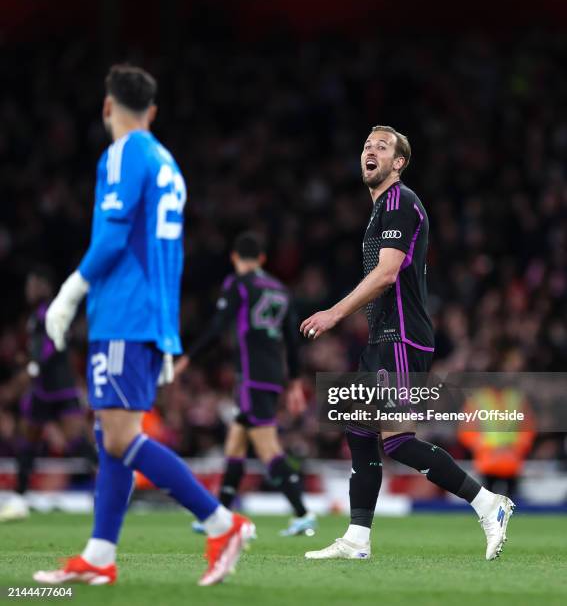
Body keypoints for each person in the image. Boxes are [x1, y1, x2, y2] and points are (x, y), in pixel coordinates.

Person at [33, 64, 255, 587]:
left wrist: (69, 292)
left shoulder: (122, 155)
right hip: (153, 312)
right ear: (151, 111)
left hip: (122, 312)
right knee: (110, 433)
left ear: (108, 106)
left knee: (118, 436)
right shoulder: (166, 162)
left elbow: (111, 241)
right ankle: (100, 554)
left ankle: (221, 523)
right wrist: (167, 331)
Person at [300, 125, 514, 561]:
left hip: (401, 337)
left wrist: (334, 314)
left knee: (396, 440)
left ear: (398, 163)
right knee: (359, 430)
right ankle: (358, 539)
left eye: (382, 147)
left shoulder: (400, 201)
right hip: (383, 337)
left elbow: (386, 274)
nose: (370, 151)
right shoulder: (381, 209)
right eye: (366, 145)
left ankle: (489, 503)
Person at [176, 232, 316, 536]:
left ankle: (303, 513)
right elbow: (292, 342)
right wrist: (293, 381)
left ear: (234, 258)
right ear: (262, 259)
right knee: (235, 443)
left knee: (267, 448)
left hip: (251, 376)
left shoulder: (238, 285)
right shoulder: (281, 290)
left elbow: (217, 326)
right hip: (272, 375)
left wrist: (189, 356)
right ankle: (220, 516)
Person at [0, 266, 95, 522]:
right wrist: (29, 360)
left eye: (33, 284)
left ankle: (114, 487)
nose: (29, 290)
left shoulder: (51, 312)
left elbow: (50, 347)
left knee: (77, 443)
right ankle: (19, 499)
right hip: (44, 390)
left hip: (59, 388)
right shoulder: (36, 316)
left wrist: (32, 367)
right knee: (27, 443)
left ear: (44, 286)